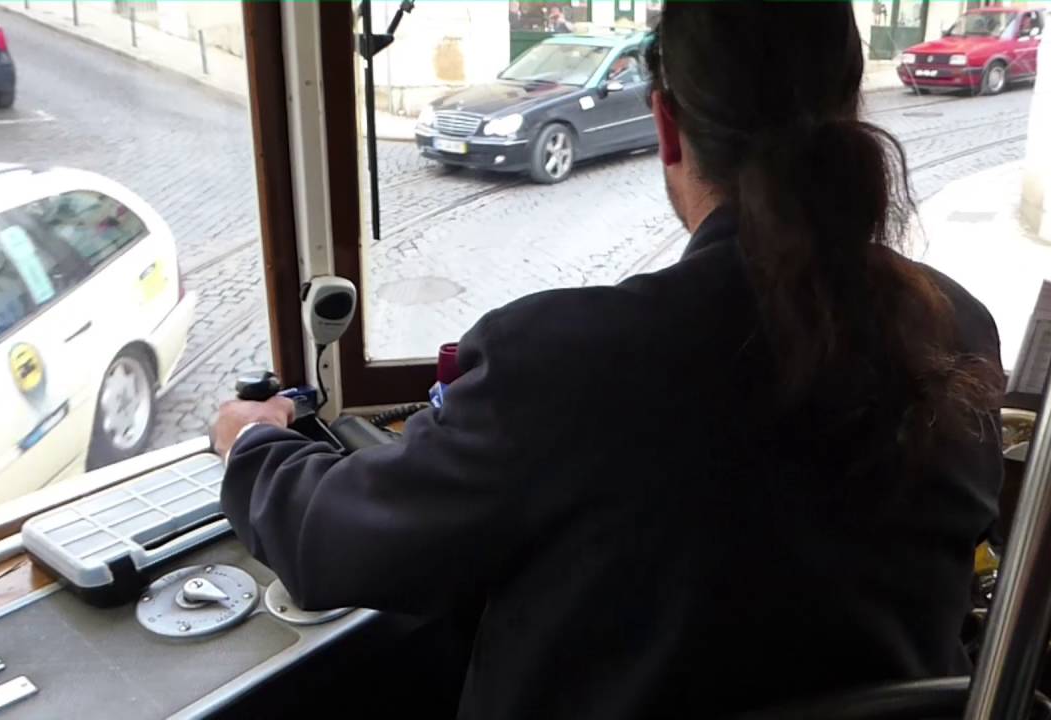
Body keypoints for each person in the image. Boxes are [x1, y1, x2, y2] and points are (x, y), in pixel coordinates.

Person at [211, 2, 1005, 718]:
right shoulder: (960, 324)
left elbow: (329, 544)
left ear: (665, 123)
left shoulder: (568, 360)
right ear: (851, 108)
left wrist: (253, 441)